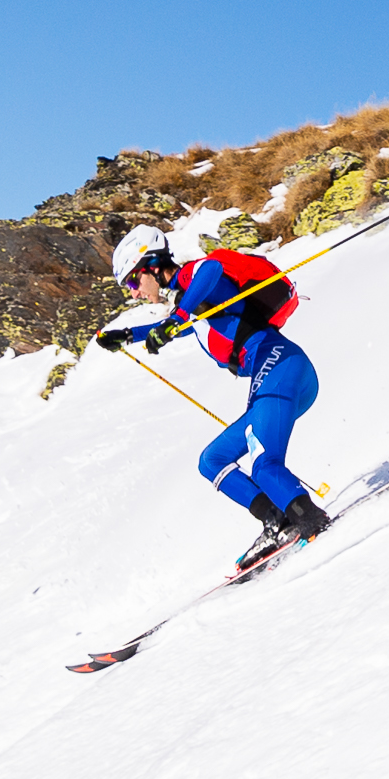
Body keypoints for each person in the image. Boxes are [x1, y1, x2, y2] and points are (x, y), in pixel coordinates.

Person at [95, 226, 332, 552]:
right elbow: (178, 327)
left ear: (151, 266)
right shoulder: (189, 302)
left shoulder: (194, 277)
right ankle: (277, 520)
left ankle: (310, 519)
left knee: (264, 466)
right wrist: (127, 335)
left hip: (280, 365)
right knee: (212, 460)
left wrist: (175, 318)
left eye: (134, 282)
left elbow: (211, 268)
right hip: (280, 375)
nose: (134, 293)